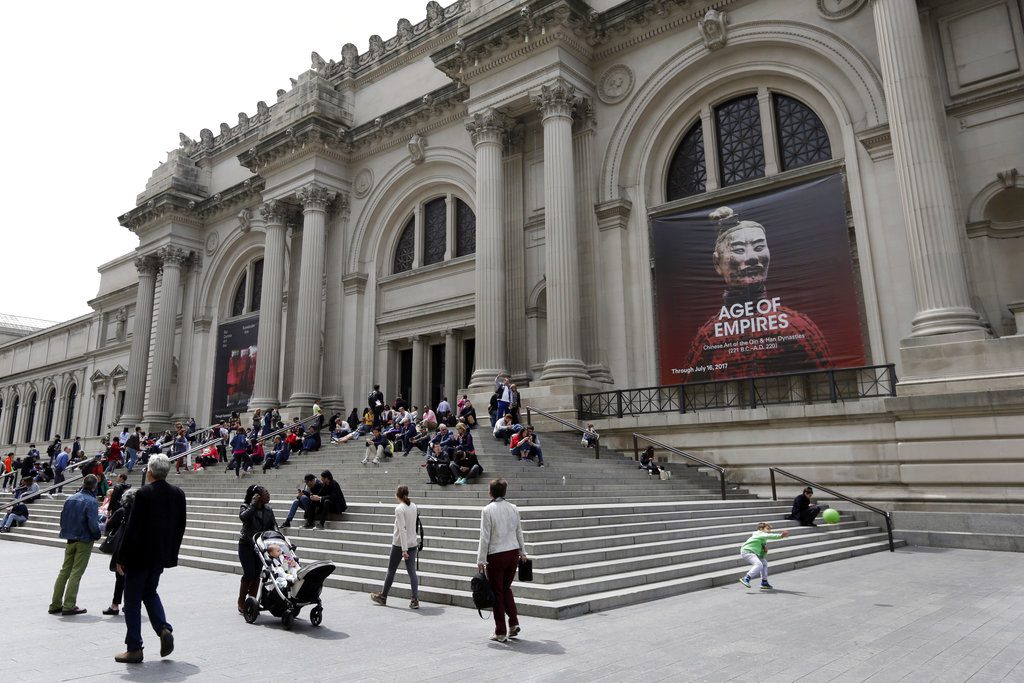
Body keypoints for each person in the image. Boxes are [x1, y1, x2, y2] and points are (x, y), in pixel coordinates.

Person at [682, 206, 832, 381]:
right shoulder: (708, 337)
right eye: (738, 250)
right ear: (717, 263)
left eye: (759, 247)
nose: (752, 257)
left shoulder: (796, 327)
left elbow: (828, 380)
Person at [113, 453, 186, 663]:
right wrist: (170, 553)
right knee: (150, 591)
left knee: (132, 601)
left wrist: (121, 557)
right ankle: (163, 628)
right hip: (160, 556)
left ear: (150, 472)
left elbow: (132, 529)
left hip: (139, 556)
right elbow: (180, 526)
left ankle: (134, 648)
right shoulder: (178, 494)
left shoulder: (143, 494)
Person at [476, 478, 527, 642]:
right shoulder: (513, 508)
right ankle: (513, 622)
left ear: (490, 492)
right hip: (512, 553)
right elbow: (519, 531)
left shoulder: (487, 510)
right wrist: (523, 551)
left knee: (497, 592)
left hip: (496, 554)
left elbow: (484, 537)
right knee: (506, 589)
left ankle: (500, 630)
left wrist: (481, 559)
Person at [48, 474, 102, 616]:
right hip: (84, 539)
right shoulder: (91, 501)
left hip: (70, 538)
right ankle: (69, 605)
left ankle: (55, 604)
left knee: (64, 570)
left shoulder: (70, 498)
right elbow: (93, 523)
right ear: (94, 485)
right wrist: (96, 535)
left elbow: (62, 518)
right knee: (76, 572)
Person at [369, 485, 420, 609]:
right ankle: (415, 599)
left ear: (398, 495)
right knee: (412, 572)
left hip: (399, 544)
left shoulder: (399, 509)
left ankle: (383, 596)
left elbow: (402, 529)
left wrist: (404, 549)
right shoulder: (413, 506)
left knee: (391, 570)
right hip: (413, 542)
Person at [237, 484, 276, 613]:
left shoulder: (268, 510)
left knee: (256, 575)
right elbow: (243, 517)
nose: (267, 494)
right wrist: (253, 505)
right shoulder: (246, 507)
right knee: (249, 573)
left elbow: (274, 528)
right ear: (257, 496)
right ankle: (241, 601)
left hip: (260, 547)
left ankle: (252, 602)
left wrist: (280, 541)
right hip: (246, 545)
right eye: (265, 492)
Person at [102, 489, 136, 617]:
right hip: (136, 550)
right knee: (132, 578)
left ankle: (115, 605)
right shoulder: (141, 513)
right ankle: (129, 604)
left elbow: (108, 526)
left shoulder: (122, 511)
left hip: (122, 548)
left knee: (120, 577)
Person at [738, 521, 789, 590]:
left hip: (754, 552)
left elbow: (762, 551)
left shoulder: (763, 539)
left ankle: (764, 582)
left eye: (770, 529)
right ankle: (746, 578)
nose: (769, 531)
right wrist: (780, 536)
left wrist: (763, 552)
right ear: (761, 529)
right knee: (759, 564)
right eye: (767, 529)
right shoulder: (759, 533)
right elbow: (768, 536)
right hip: (747, 551)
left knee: (764, 563)